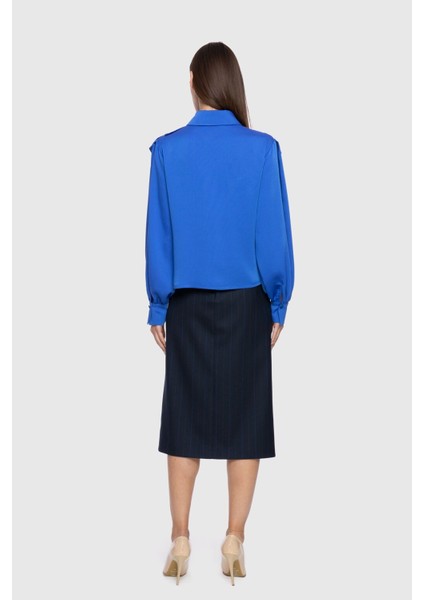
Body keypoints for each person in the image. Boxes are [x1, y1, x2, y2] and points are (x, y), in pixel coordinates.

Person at [145, 41, 295, 585]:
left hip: (187, 303)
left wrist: (158, 303)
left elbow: (159, 235)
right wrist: (278, 299)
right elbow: (273, 233)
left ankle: (180, 538)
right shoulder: (263, 149)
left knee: (184, 422)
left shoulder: (167, 150)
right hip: (246, 303)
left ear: (193, 82)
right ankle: (233, 539)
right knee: (245, 424)